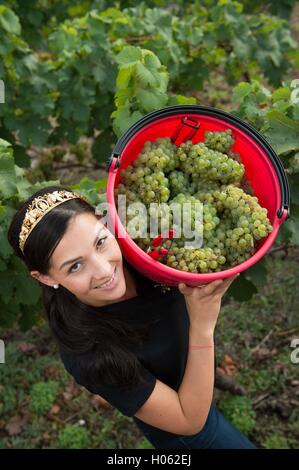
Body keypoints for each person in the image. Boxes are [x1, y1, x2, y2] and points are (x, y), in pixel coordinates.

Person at [7, 185, 257, 449]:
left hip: (195, 373)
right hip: (189, 431)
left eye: (100, 242)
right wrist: (202, 329)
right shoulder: (88, 354)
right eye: (75, 266)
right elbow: (189, 420)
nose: (104, 271)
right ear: (46, 278)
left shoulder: (143, 246)